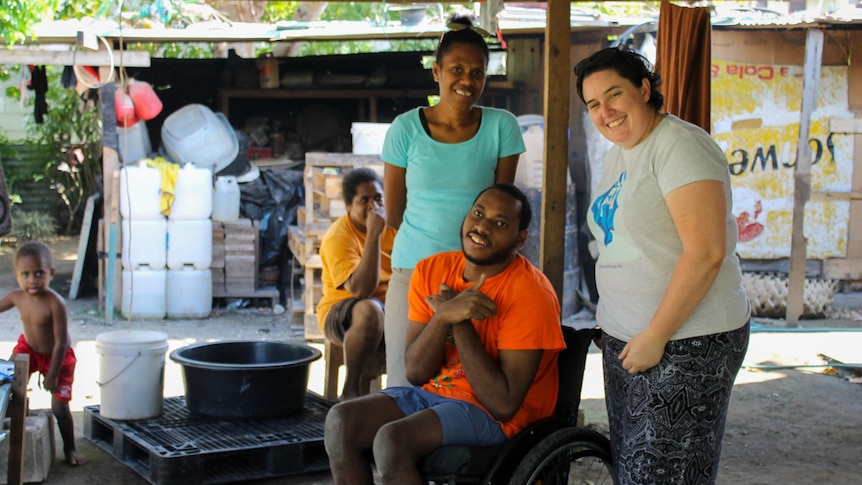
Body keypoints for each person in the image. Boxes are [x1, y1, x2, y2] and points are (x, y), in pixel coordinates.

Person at [574, 47, 751, 484]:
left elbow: (707, 252)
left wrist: (656, 334)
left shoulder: (681, 146)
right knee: (634, 469)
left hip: (686, 341)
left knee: (666, 474)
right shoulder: (622, 151)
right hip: (631, 342)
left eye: (614, 94)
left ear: (645, 88)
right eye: (594, 104)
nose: (606, 111)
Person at [324, 184, 565, 485]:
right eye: (478, 213)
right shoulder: (431, 270)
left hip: (498, 417)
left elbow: (503, 405)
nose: (482, 226)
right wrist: (443, 316)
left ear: (520, 239)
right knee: (340, 422)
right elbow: (415, 372)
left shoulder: (530, 293)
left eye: (500, 223)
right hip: (435, 395)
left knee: (391, 441)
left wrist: (458, 321)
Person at [381, 15, 526, 387]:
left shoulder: (502, 127)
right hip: (414, 272)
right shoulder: (405, 129)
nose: (467, 81)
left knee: (469, 388)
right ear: (436, 71)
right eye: (457, 69)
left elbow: (502, 209)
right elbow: (393, 213)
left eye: (477, 72)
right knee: (404, 384)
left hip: (478, 277)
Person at [0, 241, 86, 466]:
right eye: (25, 274)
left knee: (59, 405)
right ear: (17, 275)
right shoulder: (16, 297)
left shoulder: (55, 304)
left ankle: (70, 449)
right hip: (29, 348)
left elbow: (60, 343)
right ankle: (19, 423)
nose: (32, 280)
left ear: (51, 273)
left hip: (58, 356)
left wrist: (52, 375)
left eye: (39, 273)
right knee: (10, 382)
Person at [317, 168, 397, 400]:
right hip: (342, 312)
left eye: (378, 198)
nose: (374, 206)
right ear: (348, 205)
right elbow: (361, 290)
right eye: (364, 200)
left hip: (388, 308)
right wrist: (373, 236)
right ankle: (351, 389)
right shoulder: (339, 237)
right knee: (369, 309)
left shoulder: (393, 225)